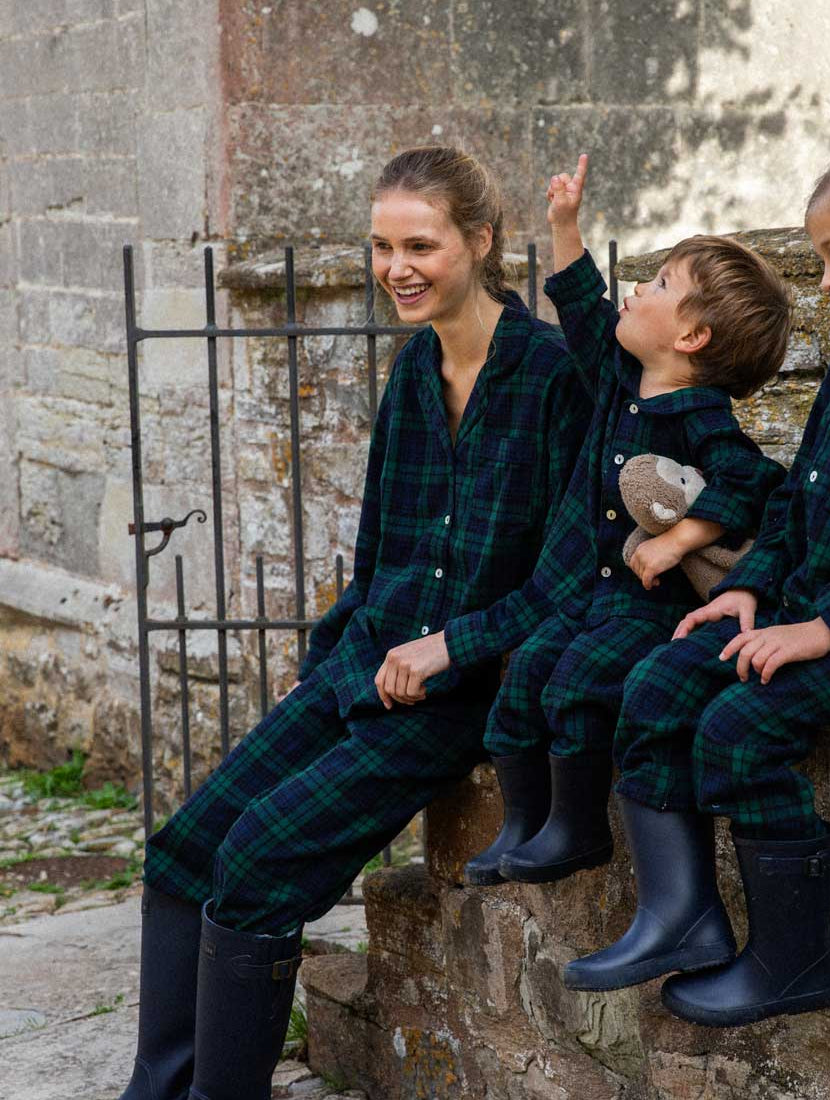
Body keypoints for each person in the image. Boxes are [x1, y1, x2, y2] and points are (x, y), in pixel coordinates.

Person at [119, 146, 591, 1100]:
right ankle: (153, 1090)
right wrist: (324, 659)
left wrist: (451, 645)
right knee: (184, 848)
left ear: (480, 242)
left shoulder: (552, 376)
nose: (396, 268)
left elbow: (572, 579)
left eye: (420, 244)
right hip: (363, 669)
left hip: (464, 696)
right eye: (381, 246)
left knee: (257, 862)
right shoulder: (414, 371)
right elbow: (377, 555)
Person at [563, 139, 830, 1024]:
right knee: (656, 679)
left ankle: (792, 959)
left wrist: (820, 631)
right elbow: (797, 507)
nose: (826, 278)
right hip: (812, 613)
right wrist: (751, 588)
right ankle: (679, 914)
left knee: (738, 723)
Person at [463, 154, 789, 892]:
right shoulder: (620, 379)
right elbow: (583, 311)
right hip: (585, 595)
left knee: (576, 682)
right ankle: (525, 823)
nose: (636, 290)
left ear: (693, 337)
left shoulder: (702, 417)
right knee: (526, 675)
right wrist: (564, 225)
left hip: (647, 611)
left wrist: (680, 537)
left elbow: (753, 483)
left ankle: (578, 829)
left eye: (661, 286)